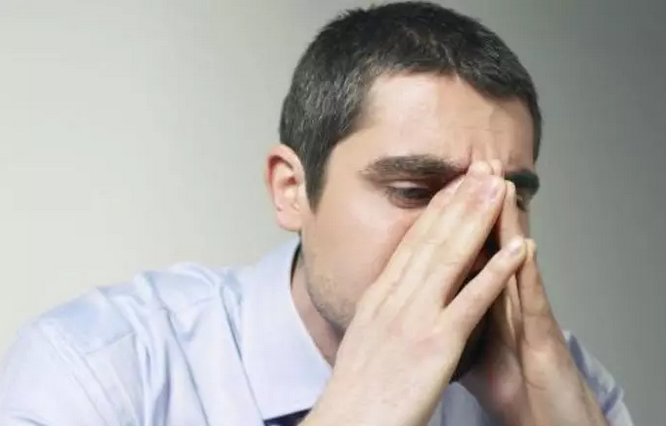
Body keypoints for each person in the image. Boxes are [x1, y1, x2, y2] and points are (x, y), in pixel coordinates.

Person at [0, 2, 632, 425]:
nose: (467, 239)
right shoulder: (97, 371)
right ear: (291, 189)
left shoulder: (567, 385)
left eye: (506, 198)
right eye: (413, 191)